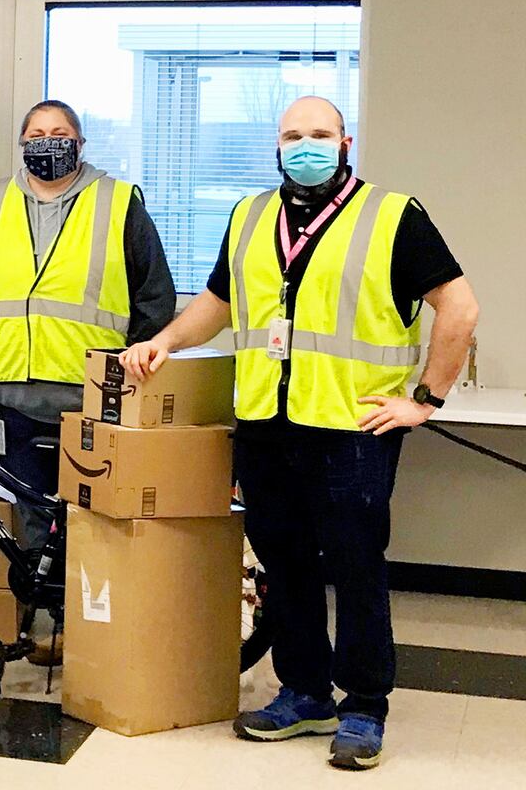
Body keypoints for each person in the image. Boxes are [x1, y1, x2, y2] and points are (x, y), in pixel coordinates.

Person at [121, 96, 477, 772]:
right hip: (265, 424)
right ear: (275, 146)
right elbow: (219, 304)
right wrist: (164, 341)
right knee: (284, 566)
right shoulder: (250, 216)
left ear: (346, 143)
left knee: (355, 567)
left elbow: (459, 306)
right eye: (293, 135)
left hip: (352, 428)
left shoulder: (393, 217)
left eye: (319, 134)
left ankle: (365, 704)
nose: (305, 145)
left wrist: (424, 399)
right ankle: (307, 692)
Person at [0, 100, 176, 555]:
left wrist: (138, 364)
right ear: (22, 145)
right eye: (36, 136)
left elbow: (154, 297)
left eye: (59, 133)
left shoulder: (119, 203)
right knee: (32, 527)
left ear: (80, 143)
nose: (48, 143)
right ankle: (36, 620)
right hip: (14, 401)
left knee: (97, 528)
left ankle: (90, 619)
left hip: (94, 400)